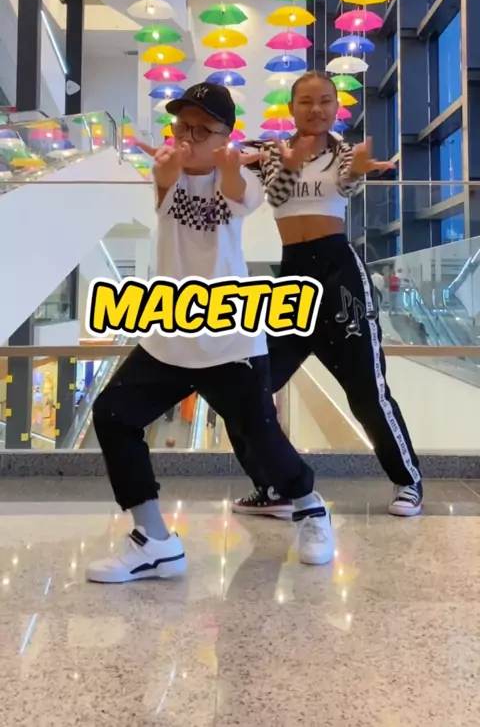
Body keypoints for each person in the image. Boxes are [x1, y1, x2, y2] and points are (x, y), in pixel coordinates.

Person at [87, 82, 334, 584]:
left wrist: (230, 167)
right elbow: (163, 188)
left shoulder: (244, 175)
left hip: (229, 335)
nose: (188, 137)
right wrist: (165, 173)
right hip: (170, 332)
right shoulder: (166, 170)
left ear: (225, 136)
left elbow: (239, 197)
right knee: (112, 414)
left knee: (259, 436)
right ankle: (154, 540)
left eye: (203, 130)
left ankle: (310, 507)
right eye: (183, 126)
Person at [228, 71, 423, 519]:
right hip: (291, 280)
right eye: (306, 101)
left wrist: (357, 171)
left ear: (336, 107)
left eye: (325, 101)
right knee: (245, 388)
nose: (316, 109)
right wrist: (285, 159)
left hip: (339, 276)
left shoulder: (345, 154)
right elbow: (277, 196)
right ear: (291, 108)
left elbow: (349, 183)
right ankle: (275, 486)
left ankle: (408, 481)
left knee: (367, 391)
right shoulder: (273, 152)